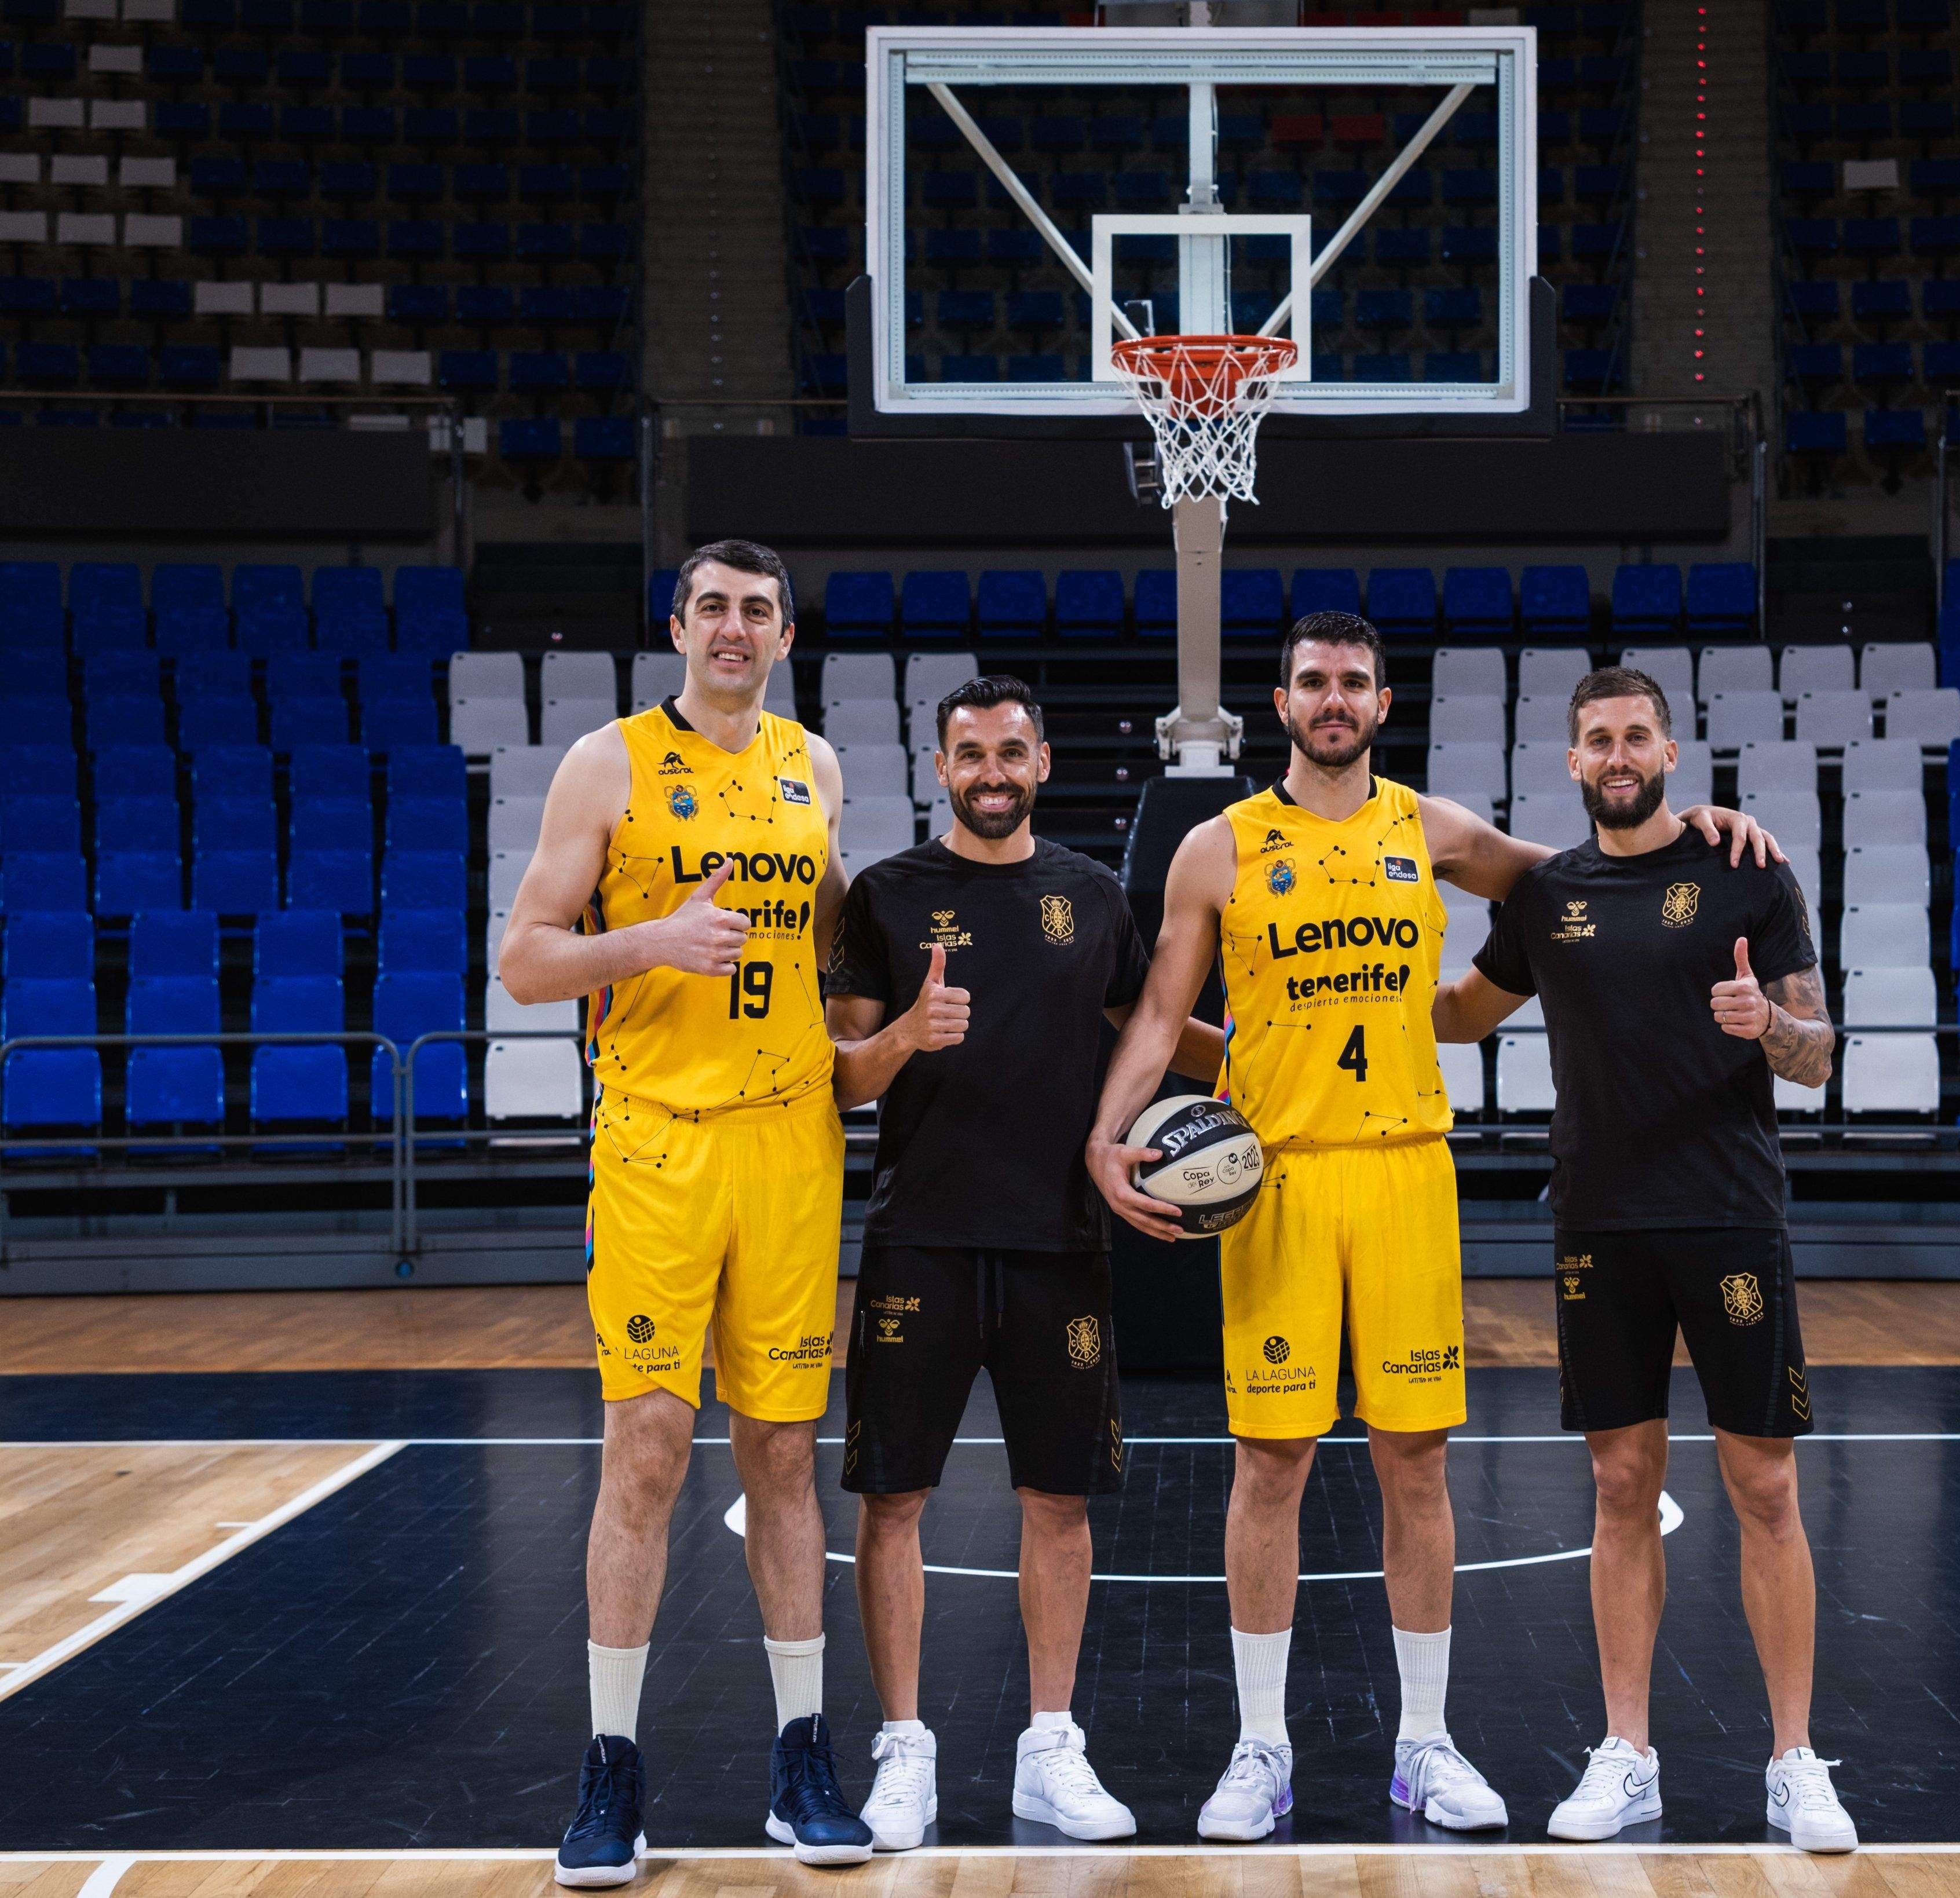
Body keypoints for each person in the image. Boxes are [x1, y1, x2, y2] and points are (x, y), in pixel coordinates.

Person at [1084, 614, 1780, 1843]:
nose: (1332, 698)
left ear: (1383, 701)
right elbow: (1155, 1011)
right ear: (1282, 702)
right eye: (1312, 681)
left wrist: (1713, 837)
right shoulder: (1219, 846)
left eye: (1352, 681)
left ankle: (1424, 1741)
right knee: (1269, 1465)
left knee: (1416, 1461)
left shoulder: (1435, 829)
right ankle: (1261, 1747)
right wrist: (1107, 1131)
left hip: (1407, 1173)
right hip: (1280, 1182)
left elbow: (1588, 869)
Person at [1429, 664, 1856, 1853]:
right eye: (1595, 741)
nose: (1616, 755)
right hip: (1597, 1224)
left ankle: (1793, 1760)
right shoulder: (1549, 892)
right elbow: (1466, 1009)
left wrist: (1765, 1027)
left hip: (1726, 1214)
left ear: (1670, 750)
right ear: (1570, 763)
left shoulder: (1745, 869)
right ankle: (1626, 1754)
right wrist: (1340, 999)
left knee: (1764, 1488)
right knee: (1620, 1488)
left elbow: (1818, 1055)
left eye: (1634, 736)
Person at [499, 539, 873, 1886]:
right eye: (711, 606)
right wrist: (645, 943)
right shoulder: (606, 763)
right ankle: (610, 1770)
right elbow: (525, 957)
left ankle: (802, 1756)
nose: (733, 627)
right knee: (646, 1452)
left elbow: (838, 947)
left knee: (783, 1456)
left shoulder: (812, 768)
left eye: (757, 610)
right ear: (676, 625)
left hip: (790, 1147)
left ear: (783, 634)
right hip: (657, 1146)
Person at [822, 676, 1226, 1848]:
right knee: (892, 1500)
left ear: (1041, 761)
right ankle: (904, 1746)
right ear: (939, 765)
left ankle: (1050, 1745)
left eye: (1009, 752)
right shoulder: (887, 898)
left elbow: (1149, 1025)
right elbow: (841, 1075)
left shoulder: (1092, 894)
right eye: (968, 754)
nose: (989, 771)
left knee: (1058, 1501)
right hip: (920, 1239)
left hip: (1059, 1238)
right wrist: (904, 1035)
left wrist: (1276, 1056)